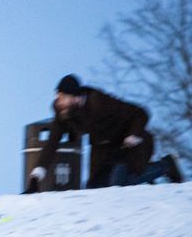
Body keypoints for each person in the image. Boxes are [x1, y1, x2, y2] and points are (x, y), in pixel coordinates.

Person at [26, 74, 183, 192]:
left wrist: (133, 135)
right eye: (57, 96)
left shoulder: (99, 102)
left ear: (75, 97)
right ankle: (146, 176)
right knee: (95, 188)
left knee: (120, 184)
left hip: (129, 146)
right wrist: (37, 175)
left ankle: (166, 165)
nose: (59, 101)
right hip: (102, 150)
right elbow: (52, 143)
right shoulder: (63, 114)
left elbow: (140, 113)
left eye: (63, 97)